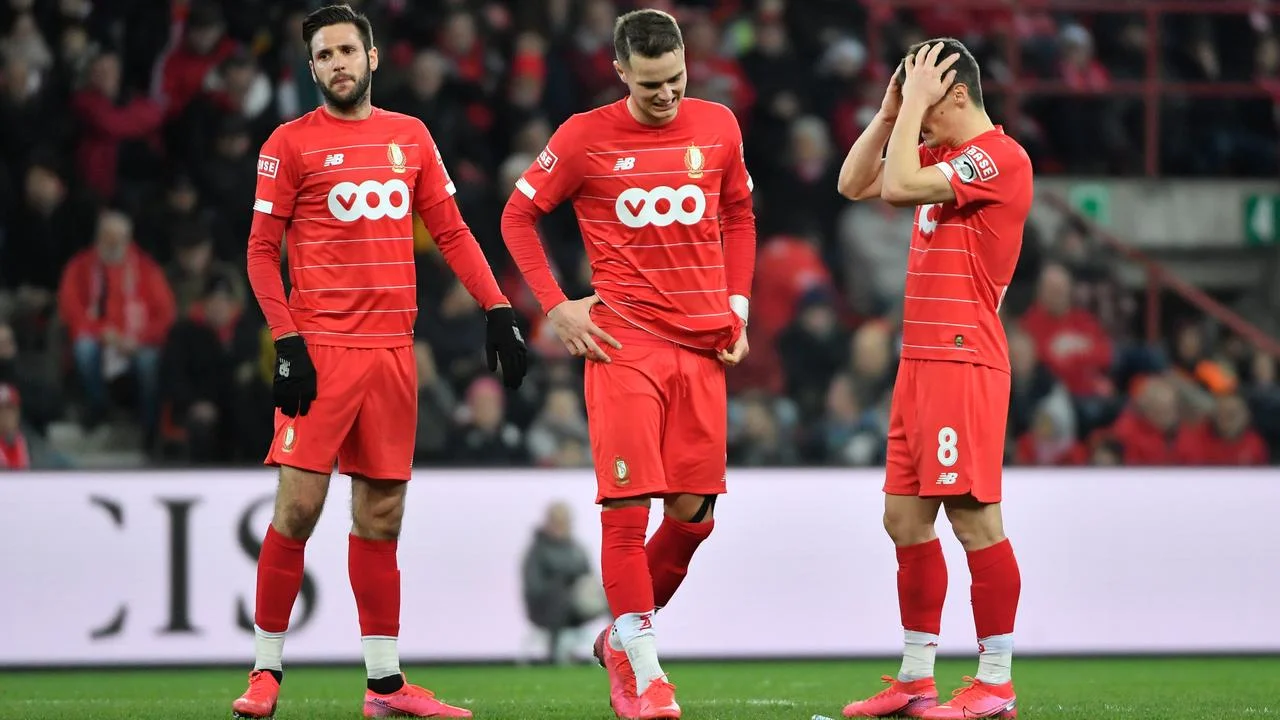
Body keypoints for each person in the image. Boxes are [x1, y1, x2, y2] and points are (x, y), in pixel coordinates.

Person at [231, 5, 528, 719]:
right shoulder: (289, 144)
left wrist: (497, 307)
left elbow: (451, 231)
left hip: (394, 351)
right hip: (322, 351)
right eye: (323, 55)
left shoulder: (411, 136)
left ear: (371, 56)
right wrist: (287, 341)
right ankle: (266, 672)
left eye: (346, 51)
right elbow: (260, 252)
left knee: (382, 515)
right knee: (298, 507)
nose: (336, 63)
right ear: (312, 68)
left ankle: (385, 686)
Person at [501, 8, 755, 719]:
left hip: (703, 344)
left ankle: (619, 638)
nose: (667, 95)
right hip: (624, 345)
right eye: (650, 85)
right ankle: (646, 673)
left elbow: (738, 214)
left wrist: (737, 308)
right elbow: (517, 216)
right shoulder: (584, 136)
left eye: (676, 79)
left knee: (694, 519)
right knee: (626, 509)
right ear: (620, 72)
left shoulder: (719, 125)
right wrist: (555, 306)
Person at [835, 39, 1032, 719]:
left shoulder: (999, 157)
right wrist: (891, 113)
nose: (919, 118)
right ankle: (916, 679)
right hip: (919, 362)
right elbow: (853, 183)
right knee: (904, 520)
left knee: (974, 520)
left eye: (926, 100)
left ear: (956, 94)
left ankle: (996, 682)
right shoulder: (940, 155)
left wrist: (914, 105)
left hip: (962, 359)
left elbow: (895, 187)